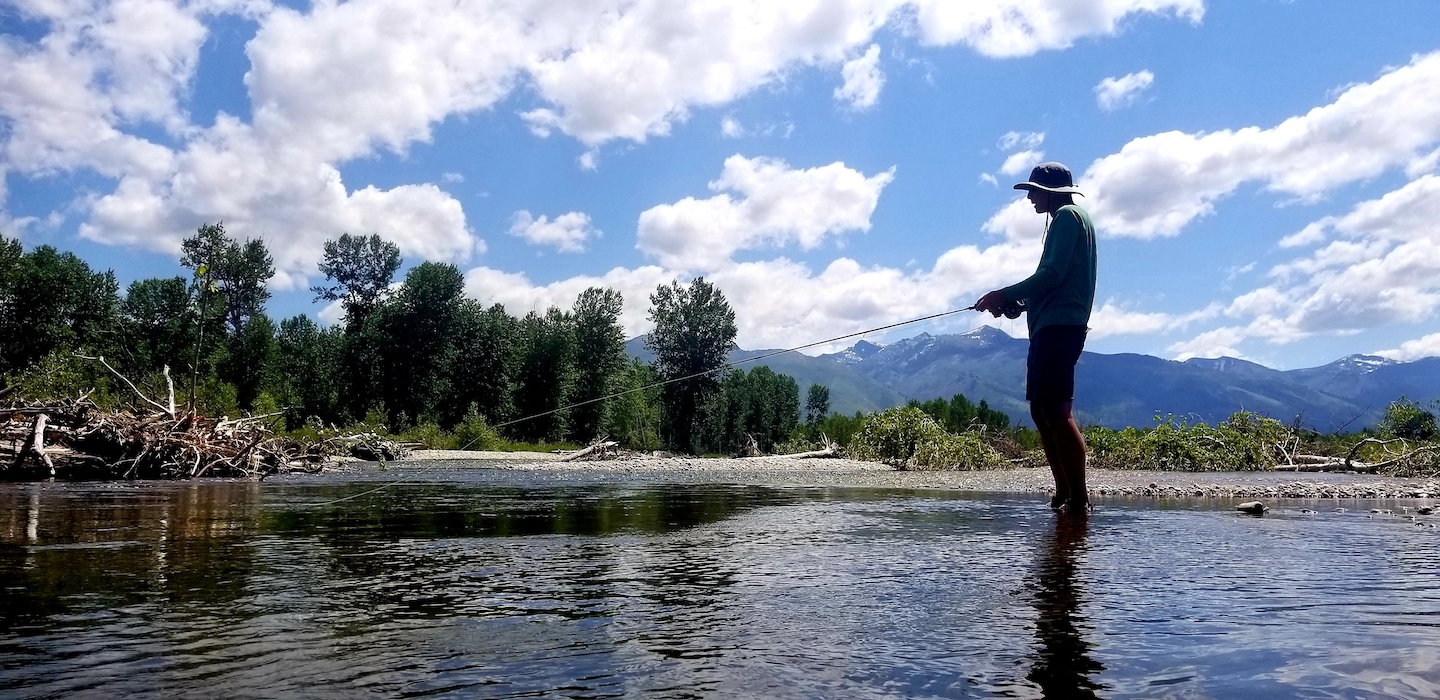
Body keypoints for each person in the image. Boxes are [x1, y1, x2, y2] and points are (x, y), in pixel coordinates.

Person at [974, 162, 1097, 516]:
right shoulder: (1073, 219)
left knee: (1057, 411)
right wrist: (1017, 303)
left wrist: (1003, 293)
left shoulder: (1067, 218)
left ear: (1051, 190)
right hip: (1052, 324)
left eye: (1033, 189)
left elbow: (1052, 274)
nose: (1029, 196)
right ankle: (1063, 494)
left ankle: (1078, 498)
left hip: (1059, 326)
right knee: (1041, 410)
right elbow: (1056, 280)